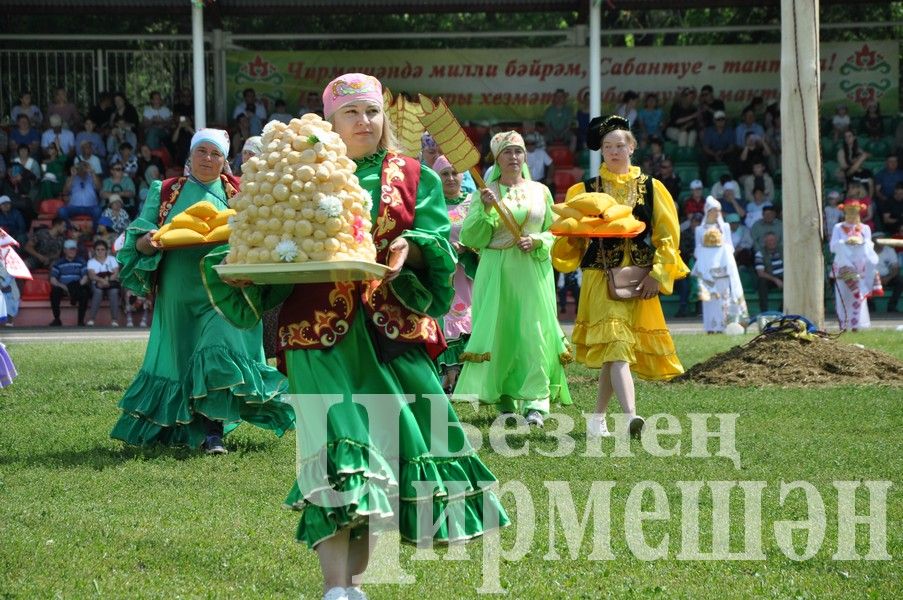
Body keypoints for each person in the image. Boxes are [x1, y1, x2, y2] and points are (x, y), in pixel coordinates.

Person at [203, 73, 508, 599]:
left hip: (390, 335)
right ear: (330, 121)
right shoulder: (298, 167)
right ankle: (334, 588)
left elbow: (436, 239)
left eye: (372, 111)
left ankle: (354, 587)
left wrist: (407, 249)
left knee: (383, 459)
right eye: (351, 113)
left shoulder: (415, 177)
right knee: (336, 447)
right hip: (315, 332)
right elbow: (263, 233)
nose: (364, 122)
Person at [110, 128, 293, 453]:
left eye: (216, 154)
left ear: (225, 160)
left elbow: (262, 232)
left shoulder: (240, 191)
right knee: (183, 357)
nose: (208, 159)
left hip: (225, 289)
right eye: (202, 152)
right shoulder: (165, 191)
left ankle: (213, 433)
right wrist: (148, 242)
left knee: (218, 349)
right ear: (191, 155)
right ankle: (184, 426)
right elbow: (139, 237)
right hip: (179, 288)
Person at [551, 115, 688, 439]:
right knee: (617, 347)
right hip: (600, 276)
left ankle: (597, 419)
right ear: (601, 150)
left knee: (617, 352)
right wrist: (573, 236)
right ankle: (631, 417)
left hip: (638, 277)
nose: (614, 151)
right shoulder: (584, 190)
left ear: (632, 148)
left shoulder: (652, 187)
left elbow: (668, 234)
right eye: (608, 146)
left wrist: (658, 273)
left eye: (620, 145)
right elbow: (571, 237)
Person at [454, 130, 572, 428]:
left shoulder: (540, 191)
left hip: (531, 272)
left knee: (534, 332)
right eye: (507, 152)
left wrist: (539, 241)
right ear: (497, 157)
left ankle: (536, 402)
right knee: (501, 332)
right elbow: (471, 237)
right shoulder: (484, 192)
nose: (514, 157)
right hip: (496, 271)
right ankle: (504, 398)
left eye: (519, 151)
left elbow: (556, 232)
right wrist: (486, 210)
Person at [432, 155, 477, 393]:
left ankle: (467, 375)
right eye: (444, 174)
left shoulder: (473, 203)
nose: (450, 178)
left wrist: (468, 246)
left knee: (470, 317)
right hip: (443, 274)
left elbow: (484, 235)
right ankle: (448, 374)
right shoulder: (431, 204)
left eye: (454, 172)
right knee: (446, 318)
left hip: (469, 272)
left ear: (463, 175)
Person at [692, 199, 747, 333]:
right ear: (708, 211)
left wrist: (720, 249)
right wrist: (707, 253)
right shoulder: (699, 230)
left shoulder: (725, 227)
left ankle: (723, 326)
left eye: (719, 210)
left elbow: (731, 247)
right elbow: (697, 250)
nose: (717, 213)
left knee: (724, 298)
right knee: (709, 300)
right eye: (715, 210)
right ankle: (710, 327)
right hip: (707, 270)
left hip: (722, 268)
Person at [830, 200, 881, 331]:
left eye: (855, 212)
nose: (852, 216)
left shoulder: (865, 228)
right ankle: (843, 325)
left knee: (858, 297)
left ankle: (856, 325)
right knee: (843, 296)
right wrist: (844, 242)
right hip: (843, 266)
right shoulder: (838, 227)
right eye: (850, 212)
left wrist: (861, 242)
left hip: (860, 267)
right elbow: (833, 247)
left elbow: (870, 246)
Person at [49, 239, 90, 326]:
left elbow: (85, 278)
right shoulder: (58, 263)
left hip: (77, 286)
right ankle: (57, 319)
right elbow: (53, 279)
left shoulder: (81, 261)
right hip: (63, 287)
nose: (73, 251)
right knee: (54, 292)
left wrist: (75, 287)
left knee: (84, 293)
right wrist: (63, 287)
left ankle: (80, 321)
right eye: (70, 249)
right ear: (64, 250)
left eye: (74, 249)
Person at [86, 239, 121, 327]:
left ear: (106, 250)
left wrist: (107, 281)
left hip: (111, 283)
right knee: (98, 292)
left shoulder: (112, 259)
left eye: (102, 249)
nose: (100, 251)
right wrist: (102, 281)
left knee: (113, 292)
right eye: (98, 250)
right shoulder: (91, 262)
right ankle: (91, 319)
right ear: (94, 251)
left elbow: (116, 273)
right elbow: (91, 276)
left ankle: (114, 320)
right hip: (97, 284)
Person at [59, 160, 102, 229]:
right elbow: (65, 191)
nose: (82, 169)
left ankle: (94, 232)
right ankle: (70, 228)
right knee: (62, 211)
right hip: (74, 207)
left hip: (91, 206)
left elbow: (99, 188)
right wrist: (72, 176)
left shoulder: (92, 177)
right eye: (79, 167)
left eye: (84, 167)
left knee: (98, 210)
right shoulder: (71, 178)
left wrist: (92, 173)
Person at [754, 232, 784, 313]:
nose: (772, 242)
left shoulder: (783, 250)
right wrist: (775, 280)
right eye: (769, 240)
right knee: (761, 282)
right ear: (765, 242)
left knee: (791, 284)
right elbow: (760, 272)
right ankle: (764, 312)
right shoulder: (760, 253)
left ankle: (781, 311)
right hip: (770, 278)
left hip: (784, 277)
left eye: (773, 240)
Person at [873, 236, 901, 313]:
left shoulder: (890, 250)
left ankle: (891, 307)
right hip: (872, 277)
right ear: (873, 241)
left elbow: (895, 268)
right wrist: (877, 278)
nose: (882, 241)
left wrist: (888, 277)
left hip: (887, 277)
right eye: (879, 239)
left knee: (900, 280)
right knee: (863, 280)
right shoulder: (868, 251)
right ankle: (870, 307)